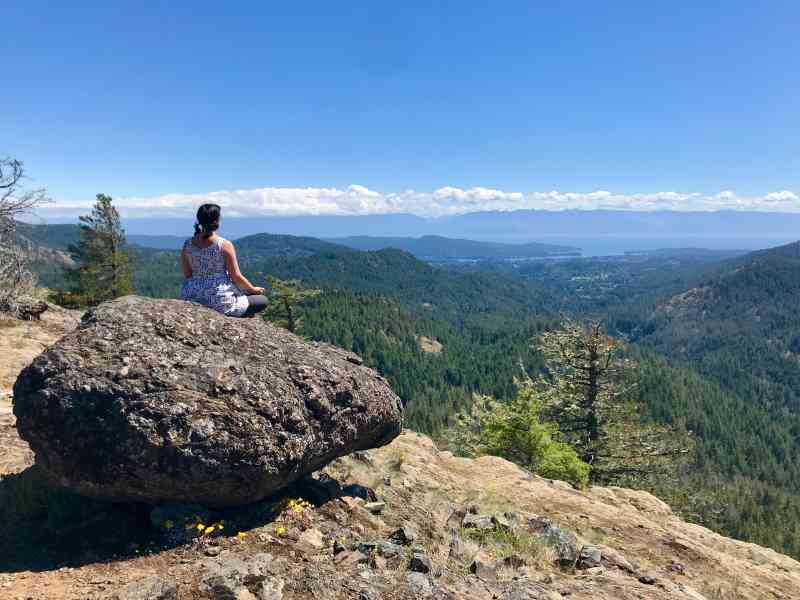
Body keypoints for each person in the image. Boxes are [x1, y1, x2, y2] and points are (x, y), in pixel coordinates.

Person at [180, 204, 268, 317]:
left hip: (192, 296)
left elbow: (188, 274)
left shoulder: (188, 244)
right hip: (220, 301)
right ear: (217, 221)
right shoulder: (223, 245)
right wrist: (253, 290)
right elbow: (236, 276)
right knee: (262, 300)